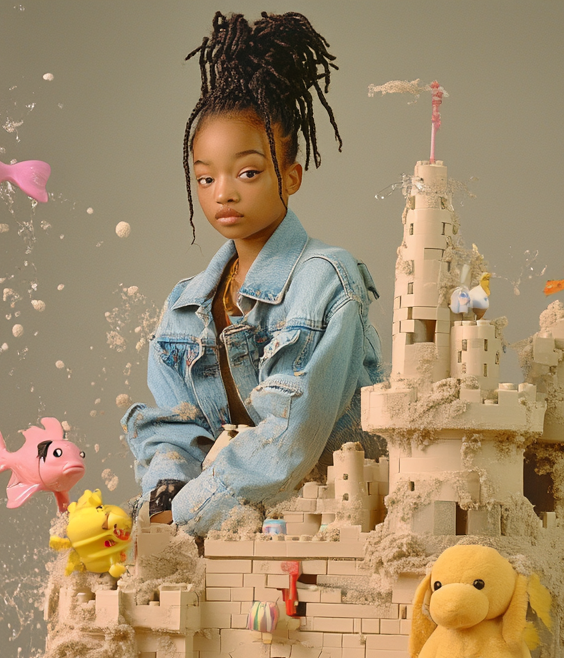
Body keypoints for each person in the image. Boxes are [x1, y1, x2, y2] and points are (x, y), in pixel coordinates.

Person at [121, 11, 385, 537]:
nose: (223, 192)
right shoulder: (183, 307)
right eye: (204, 177)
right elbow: (175, 429)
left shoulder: (326, 282)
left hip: (339, 523)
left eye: (247, 172)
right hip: (237, 527)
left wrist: (184, 515)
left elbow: (293, 434)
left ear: (290, 176)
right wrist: (166, 492)